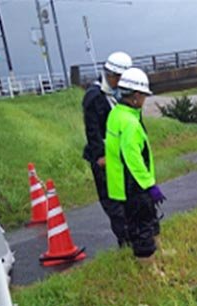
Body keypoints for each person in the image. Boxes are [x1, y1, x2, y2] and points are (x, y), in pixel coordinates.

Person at [105, 67, 165, 260]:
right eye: (144, 96)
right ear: (136, 96)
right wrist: (149, 185)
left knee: (141, 223)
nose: (145, 100)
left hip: (121, 184)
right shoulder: (130, 123)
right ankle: (149, 268)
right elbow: (132, 158)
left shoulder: (116, 114)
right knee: (142, 227)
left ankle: (157, 253)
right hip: (134, 185)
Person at [82, 51, 132, 247]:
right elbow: (92, 129)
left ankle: (133, 234)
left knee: (128, 197)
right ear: (112, 75)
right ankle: (125, 241)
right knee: (113, 202)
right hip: (105, 158)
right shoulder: (94, 96)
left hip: (121, 156)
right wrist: (100, 156)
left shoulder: (119, 95)